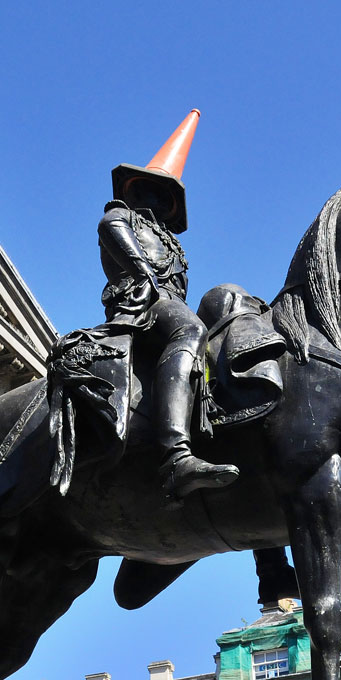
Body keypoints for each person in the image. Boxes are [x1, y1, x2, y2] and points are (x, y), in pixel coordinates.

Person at [99, 110, 238, 504]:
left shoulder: (174, 244)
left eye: (165, 194)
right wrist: (145, 274)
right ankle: (176, 456)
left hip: (166, 302)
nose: (157, 198)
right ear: (134, 188)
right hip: (139, 298)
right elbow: (115, 237)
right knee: (190, 330)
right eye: (150, 189)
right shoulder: (120, 214)